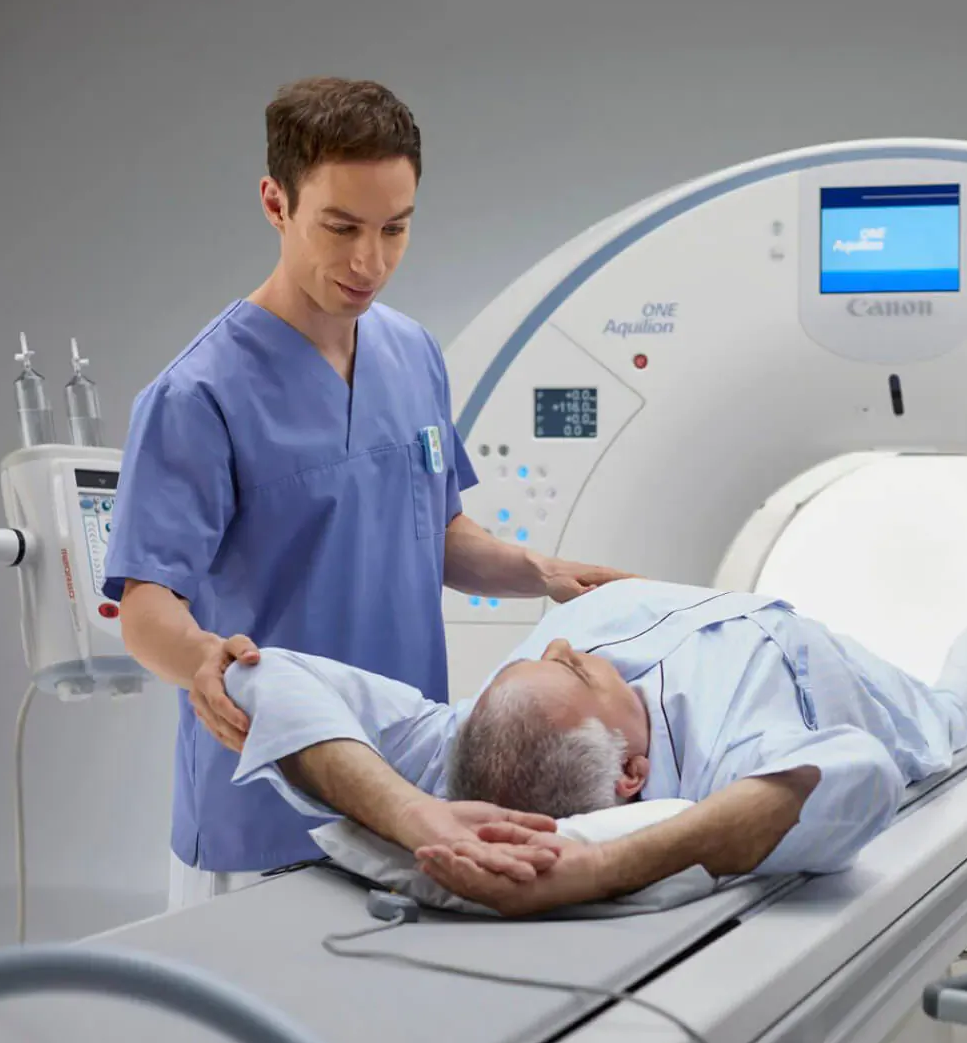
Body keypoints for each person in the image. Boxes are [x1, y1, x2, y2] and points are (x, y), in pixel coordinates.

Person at [103, 77, 630, 909]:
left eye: (395, 228)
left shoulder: (412, 353)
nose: (369, 262)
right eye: (341, 227)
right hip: (265, 809)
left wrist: (542, 570)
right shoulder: (198, 394)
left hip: (412, 798)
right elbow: (145, 602)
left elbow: (437, 532)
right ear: (276, 203)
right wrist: (201, 661)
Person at [220, 578, 967, 915]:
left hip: (681, 603)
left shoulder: (458, 747)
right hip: (826, 669)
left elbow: (265, 675)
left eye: (547, 658)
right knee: (922, 732)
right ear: (632, 774)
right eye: (577, 672)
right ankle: (950, 703)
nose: (562, 642)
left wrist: (414, 812)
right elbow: (857, 776)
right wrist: (600, 868)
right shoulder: (730, 754)